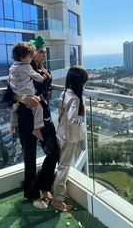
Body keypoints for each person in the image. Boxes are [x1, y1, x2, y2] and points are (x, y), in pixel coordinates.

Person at [12, 35, 59, 209]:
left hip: (43, 115)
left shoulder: (46, 71)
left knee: (54, 151)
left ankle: (44, 184)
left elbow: (46, 92)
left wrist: (38, 97)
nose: (44, 54)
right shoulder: (22, 69)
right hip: (26, 117)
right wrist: (25, 98)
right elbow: (10, 94)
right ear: (32, 54)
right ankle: (32, 194)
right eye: (41, 52)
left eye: (45, 52)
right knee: (29, 156)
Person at [51, 66, 88, 212]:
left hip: (60, 132)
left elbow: (63, 114)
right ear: (80, 82)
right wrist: (81, 116)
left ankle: (58, 192)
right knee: (64, 167)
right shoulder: (75, 98)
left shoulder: (64, 93)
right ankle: (58, 199)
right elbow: (73, 119)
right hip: (69, 136)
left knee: (60, 164)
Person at [8, 42, 49, 141]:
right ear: (23, 57)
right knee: (38, 108)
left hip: (19, 95)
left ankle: (12, 125)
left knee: (14, 109)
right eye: (31, 56)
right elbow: (37, 77)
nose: (45, 55)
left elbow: (9, 82)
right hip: (28, 98)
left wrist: (21, 97)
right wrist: (42, 78)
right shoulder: (27, 67)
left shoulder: (12, 67)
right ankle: (37, 129)